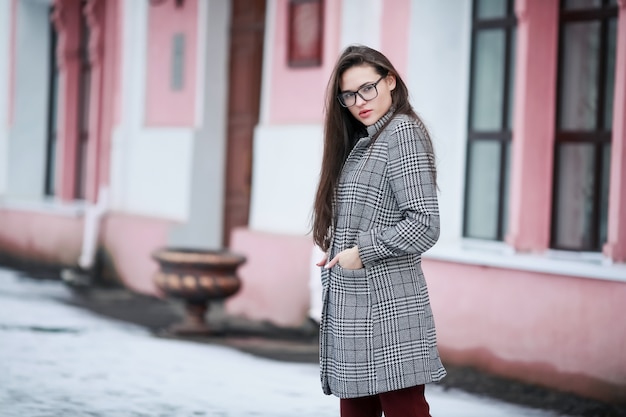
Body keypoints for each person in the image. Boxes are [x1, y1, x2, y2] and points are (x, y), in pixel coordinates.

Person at [312, 45, 446, 417]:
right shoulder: (365, 139)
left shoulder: (400, 133)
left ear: (390, 81)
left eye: (367, 88)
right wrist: (341, 248)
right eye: (349, 95)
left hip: (389, 311)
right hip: (355, 307)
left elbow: (424, 224)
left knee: (405, 411)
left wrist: (363, 252)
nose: (359, 101)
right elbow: (374, 213)